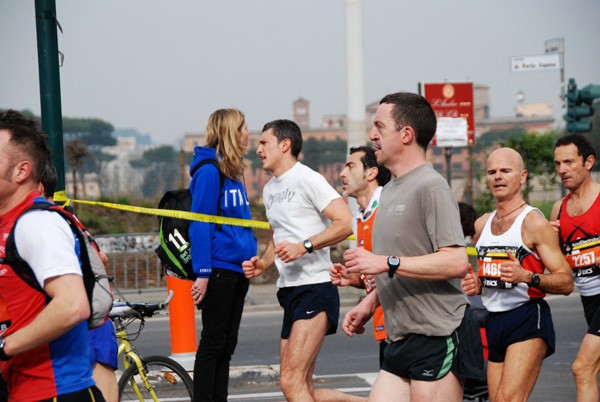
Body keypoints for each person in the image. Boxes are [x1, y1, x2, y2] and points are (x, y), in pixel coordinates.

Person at [341, 92, 485, 402]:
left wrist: (385, 262)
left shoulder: (430, 186)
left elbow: (456, 262)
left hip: (439, 334)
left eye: (380, 126)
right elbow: (406, 261)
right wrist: (369, 303)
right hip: (402, 337)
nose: (371, 135)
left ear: (406, 134)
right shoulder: (390, 189)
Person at [242, 119, 356, 402]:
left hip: (315, 287)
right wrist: (263, 264)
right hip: (289, 292)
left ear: (285, 144)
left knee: (289, 382)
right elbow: (276, 236)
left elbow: (345, 222)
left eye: (263, 142)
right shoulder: (269, 189)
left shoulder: (308, 178)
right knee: (303, 388)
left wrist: (304, 246)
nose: (258, 149)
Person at [0, 110, 105, 401]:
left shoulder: (37, 223)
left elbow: (73, 306)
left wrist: (4, 346)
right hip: (21, 390)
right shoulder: (8, 223)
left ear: (21, 171)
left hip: (55, 392)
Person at [462, 147, 573, 402]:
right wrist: (478, 284)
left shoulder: (533, 222)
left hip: (526, 318)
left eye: (505, 171)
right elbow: (491, 277)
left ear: (522, 176)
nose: (498, 176)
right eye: (492, 172)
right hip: (494, 321)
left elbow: (566, 281)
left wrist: (527, 276)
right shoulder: (483, 224)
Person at [188, 109, 257, 402]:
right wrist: (202, 273)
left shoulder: (234, 171)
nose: (248, 134)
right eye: (243, 128)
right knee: (213, 345)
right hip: (218, 269)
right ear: (230, 132)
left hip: (238, 269)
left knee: (227, 346)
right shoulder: (208, 171)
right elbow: (200, 223)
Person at [38, 162, 119, 402]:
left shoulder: (47, 221)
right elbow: (99, 255)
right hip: (89, 320)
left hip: (86, 323)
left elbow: (97, 257)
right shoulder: (66, 217)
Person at [329, 145, 391, 367]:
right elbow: (380, 275)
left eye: (350, 166)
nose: (342, 174)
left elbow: (404, 263)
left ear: (371, 173)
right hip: (385, 326)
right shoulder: (358, 219)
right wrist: (354, 279)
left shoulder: (389, 205)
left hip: (409, 326)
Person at [550, 133, 600, 402]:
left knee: (582, 368)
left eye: (569, 162)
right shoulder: (559, 209)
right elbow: (559, 270)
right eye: (558, 164)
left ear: (588, 162)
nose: (562, 170)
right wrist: (549, 240)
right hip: (589, 301)